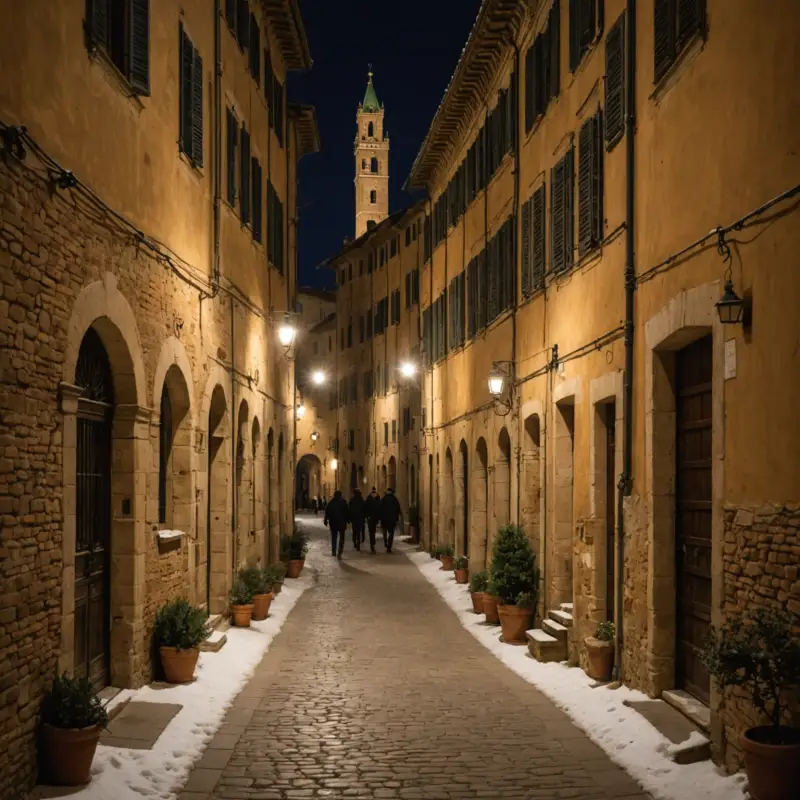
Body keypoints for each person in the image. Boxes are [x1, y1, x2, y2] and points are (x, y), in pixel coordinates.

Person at [323, 490, 349, 559]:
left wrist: (325, 520)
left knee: (334, 537)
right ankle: (339, 552)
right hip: (342, 523)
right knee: (342, 538)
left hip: (333, 522)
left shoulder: (331, 502)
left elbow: (327, 511)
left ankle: (334, 551)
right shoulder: (344, 502)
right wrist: (348, 520)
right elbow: (347, 512)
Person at [379, 487, 402, 553]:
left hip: (384, 519)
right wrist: (396, 518)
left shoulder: (383, 499)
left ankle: (385, 542)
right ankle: (389, 546)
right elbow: (398, 509)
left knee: (384, 531)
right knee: (391, 533)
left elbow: (380, 508)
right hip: (392, 519)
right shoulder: (394, 499)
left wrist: (380, 517)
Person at [364, 487, 381, 554]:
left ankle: (372, 544)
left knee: (371, 531)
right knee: (373, 531)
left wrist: (367, 516)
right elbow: (380, 507)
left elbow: (366, 507)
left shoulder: (368, 498)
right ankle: (372, 543)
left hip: (370, 517)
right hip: (375, 517)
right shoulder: (378, 498)